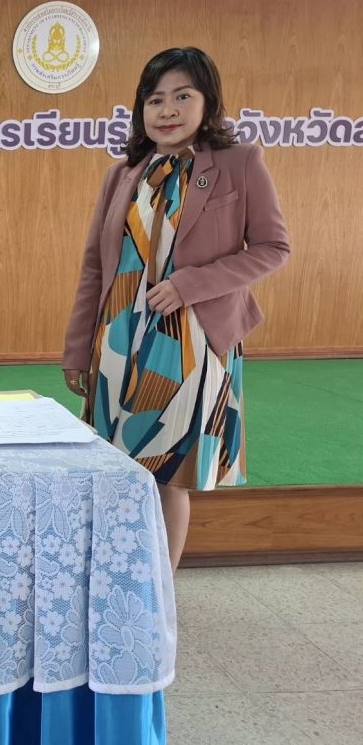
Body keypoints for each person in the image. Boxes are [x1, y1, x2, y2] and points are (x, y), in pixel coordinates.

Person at [62, 47, 290, 572]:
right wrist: (77, 348)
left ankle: (158, 592)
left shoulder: (239, 163)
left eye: (182, 96)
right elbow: (95, 267)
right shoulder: (122, 173)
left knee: (167, 472)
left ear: (207, 102)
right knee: (115, 466)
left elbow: (273, 248)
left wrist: (191, 285)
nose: (167, 110)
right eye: (155, 99)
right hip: (117, 340)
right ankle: (115, 578)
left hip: (191, 342)